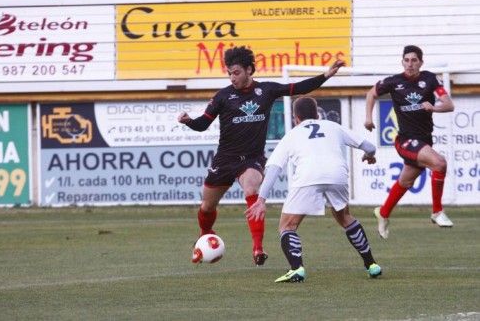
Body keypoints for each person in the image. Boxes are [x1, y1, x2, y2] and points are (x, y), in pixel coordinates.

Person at [178, 46, 345, 266]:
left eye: (236, 72)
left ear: (249, 70)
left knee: (252, 189)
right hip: (225, 159)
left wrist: (325, 75)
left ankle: (258, 248)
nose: (232, 77)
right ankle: (205, 234)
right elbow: (202, 124)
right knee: (207, 207)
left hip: (251, 159)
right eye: (229, 73)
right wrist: (188, 121)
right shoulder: (223, 96)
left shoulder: (265, 91)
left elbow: (297, 88)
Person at [245, 97, 382, 282]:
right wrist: (369, 156)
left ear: (296, 119)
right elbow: (370, 147)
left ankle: (296, 268)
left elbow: (274, 168)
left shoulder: (292, 134)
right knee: (344, 217)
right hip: (337, 174)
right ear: (317, 115)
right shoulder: (334, 126)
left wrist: (261, 200)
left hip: (308, 176)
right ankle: (371, 264)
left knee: (287, 226)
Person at [364, 45, 455, 239]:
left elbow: (448, 104)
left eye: (414, 60)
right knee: (439, 163)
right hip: (405, 140)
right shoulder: (393, 82)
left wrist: (434, 108)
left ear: (421, 62)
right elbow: (371, 93)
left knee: (406, 181)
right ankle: (437, 212)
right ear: (402, 61)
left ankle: (383, 212)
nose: (410, 64)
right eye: (407, 60)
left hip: (424, 140)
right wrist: (368, 118)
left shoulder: (430, 79)